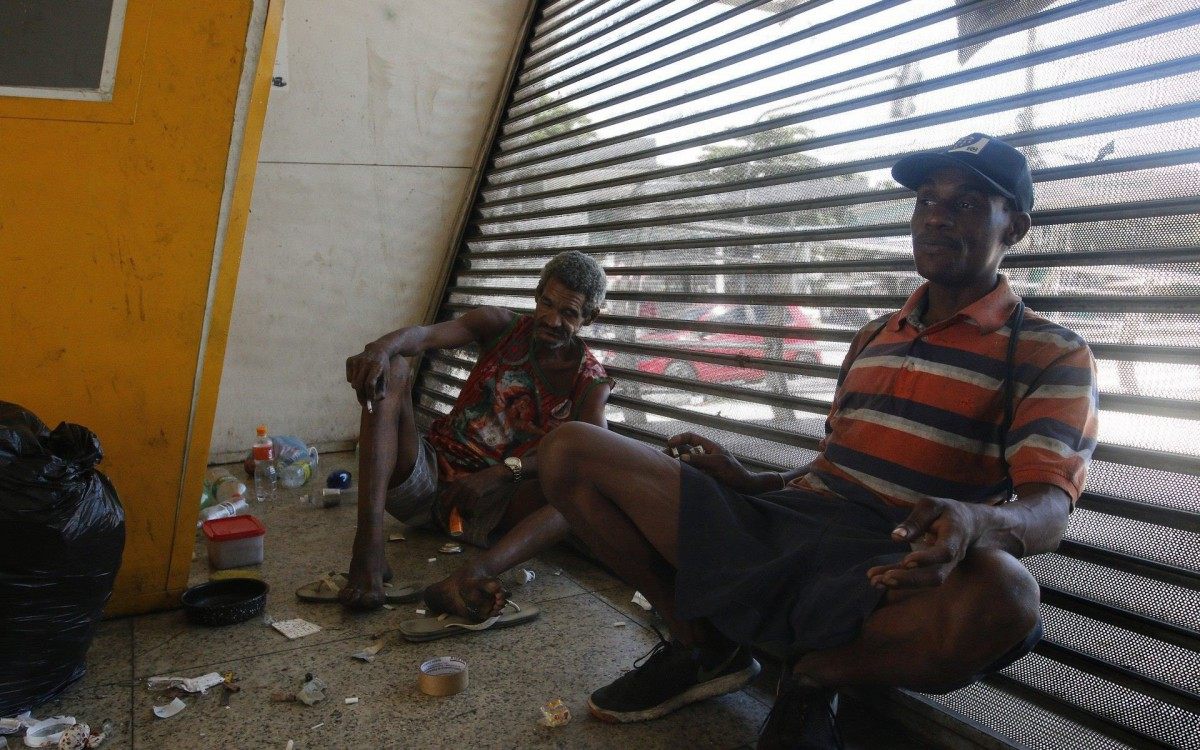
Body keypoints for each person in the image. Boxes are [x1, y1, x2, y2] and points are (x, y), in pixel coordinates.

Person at [534, 134, 1099, 748]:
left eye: (965, 205)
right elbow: (836, 462)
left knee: (1009, 600)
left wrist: (974, 522)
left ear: (1013, 227)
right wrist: (751, 483)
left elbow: (1048, 511)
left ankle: (813, 679)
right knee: (569, 450)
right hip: (788, 521)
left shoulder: (1050, 353)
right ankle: (703, 646)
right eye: (925, 202)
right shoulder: (873, 337)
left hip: (884, 557)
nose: (935, 217)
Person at [339, 250, 613, 610]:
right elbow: (421, 337)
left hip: (488, 506)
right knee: (394, 367)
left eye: (568, 313)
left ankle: (469, 577)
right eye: (547, 303)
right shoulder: (499, 326)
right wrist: (378, 349)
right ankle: (369, 548)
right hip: (426, 473)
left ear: (589, 318)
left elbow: (591, 458)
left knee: (580, 495)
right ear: (537, 294)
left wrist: (500, 474)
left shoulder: (589, 382)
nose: (551, 319)